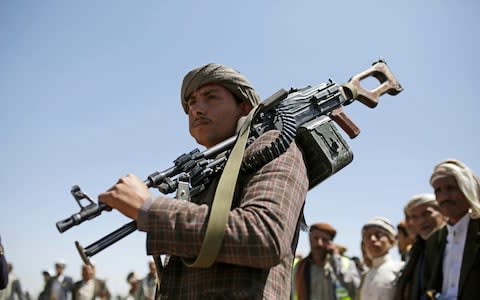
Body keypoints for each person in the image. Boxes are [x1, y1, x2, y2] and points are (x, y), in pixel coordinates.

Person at [98, 63, 309, 299]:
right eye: (191, 102)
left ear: (244, 107)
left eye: (210, 97)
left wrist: (150, 209)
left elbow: (264, 235)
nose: (196, 109)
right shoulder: (210, 170)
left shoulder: (273, 146)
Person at [424, 159, 480, 300]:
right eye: (438, 190)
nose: (444, 197)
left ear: (467, 188)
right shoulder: (434, 240)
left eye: (450, 188)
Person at [394, 193, 446, 300]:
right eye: (414, 217)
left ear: (442, 213)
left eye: (427, 213)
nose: (421, 221)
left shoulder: (451, 243)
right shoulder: (416, 251)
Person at [293, 223, 360, 300]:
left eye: (324, 240)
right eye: (315, 238)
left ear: (331, 242)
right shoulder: (301, 267)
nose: (319, 243)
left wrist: (336, 260)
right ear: (310, 239)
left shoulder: (346, 264)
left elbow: (356, 291)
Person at [359, 217, 403, 300]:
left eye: (378, 235)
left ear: (391, 240)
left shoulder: (400, 269)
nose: (372, 239)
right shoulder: (365, 276)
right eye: (368, 236)